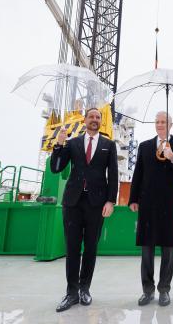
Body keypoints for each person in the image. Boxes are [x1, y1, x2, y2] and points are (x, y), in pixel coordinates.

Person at [50, 107, 118, 312]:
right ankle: (71, 292)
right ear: (85, 120)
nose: (95, 120)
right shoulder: (72, 143)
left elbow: (113, 175)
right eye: (91, 117)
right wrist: (59, 144)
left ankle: (84, 289)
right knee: (72, 248)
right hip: (73, 202)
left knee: (90, 248)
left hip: (96, 204)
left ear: (100, 121)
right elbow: (56, 167)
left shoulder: (109, 145)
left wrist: (110, 201)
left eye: (98, 117)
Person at [129, 111, 173, 307]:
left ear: (170, 125)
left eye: (163, 122)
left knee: (167, 250)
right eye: (157, 122)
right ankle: (147, 291)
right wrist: (133, 199)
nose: (159, 124)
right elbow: (138, 173)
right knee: (146, 250)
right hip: (147, 204)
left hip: (168, 205)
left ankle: (164, 290)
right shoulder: (145, 146)